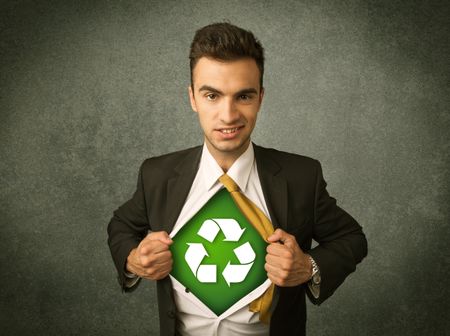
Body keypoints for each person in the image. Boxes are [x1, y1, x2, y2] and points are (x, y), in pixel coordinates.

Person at [107, 22, 367, 336]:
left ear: (260, 98)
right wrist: (133, 260)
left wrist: (308, 267)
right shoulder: (157, 174)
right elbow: (121, 225)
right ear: (192, 98)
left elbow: (351, 239)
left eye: (243, 96)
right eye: (212, 96)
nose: (228, 116)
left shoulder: (301, 177)